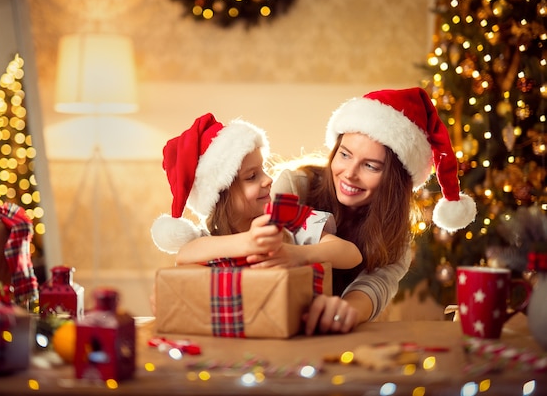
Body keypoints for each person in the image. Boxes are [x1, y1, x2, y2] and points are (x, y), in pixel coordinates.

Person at [258, 87, 477, 335]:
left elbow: (376, 286)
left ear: (393, 180)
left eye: (370, 166)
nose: (350, 173)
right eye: (344, 154)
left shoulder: (395, 234)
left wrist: (343, 310)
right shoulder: (295, 186)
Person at [150, 113, 363, 270]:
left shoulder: (287, 220)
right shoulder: (209, 241)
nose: (268, 179)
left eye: (263, 170)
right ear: (221, 196)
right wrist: (248, 242)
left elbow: (351, 254)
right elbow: (185, 254)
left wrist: (298, 254)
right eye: (252, 176)